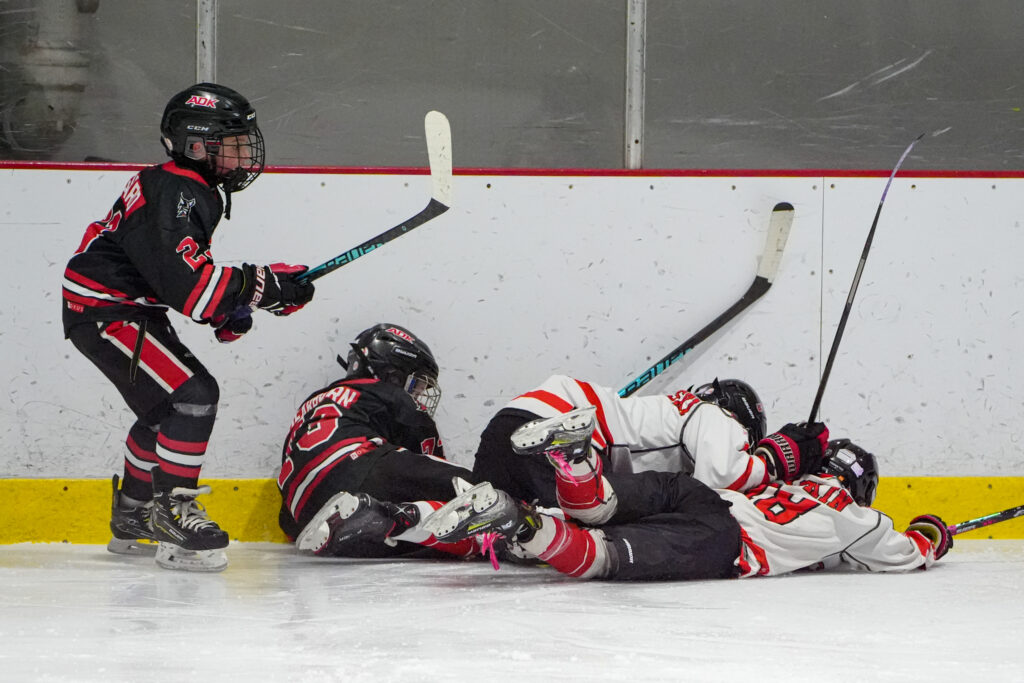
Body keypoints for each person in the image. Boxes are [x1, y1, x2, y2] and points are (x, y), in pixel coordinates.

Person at [62, 83, 316, 572]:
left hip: (114, 307)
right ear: (196, 143)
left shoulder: (182, 186)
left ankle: (133, 515)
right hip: (109, 311)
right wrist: (263, 288)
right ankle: (172, 512)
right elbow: (192, 288)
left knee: (164, 408)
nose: (245, 153)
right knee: (193, 396)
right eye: (234, 142)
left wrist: (237, 305)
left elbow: (181, 275)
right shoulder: (178, 190)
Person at [424, 407, 953, 581]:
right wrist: (935, 536)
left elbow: (744, 474)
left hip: (699, 493)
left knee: (597, 507)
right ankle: (522, 525)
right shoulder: (855, 520)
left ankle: (574, 459)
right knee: (603, 556)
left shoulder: (781, 484)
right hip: (722, 538)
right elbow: (904, 553)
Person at [278, 323, 481, 559]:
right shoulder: (389, 394)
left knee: (414, 539)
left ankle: (370, 517)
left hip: (302, 514)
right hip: (359, 466)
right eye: (415, 385)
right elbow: (428, 459)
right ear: (392, 374)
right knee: (473, 488)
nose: (416, 396)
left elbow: (287, 520)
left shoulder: (310, 405)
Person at [471, 374, 775, 507]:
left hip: (510, 420)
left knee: (487, 535)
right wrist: (772, 463)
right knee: (589, 518)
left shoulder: (671, 409)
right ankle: (568, 445)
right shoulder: (715, 416)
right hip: (566, 437)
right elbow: (723, 477)